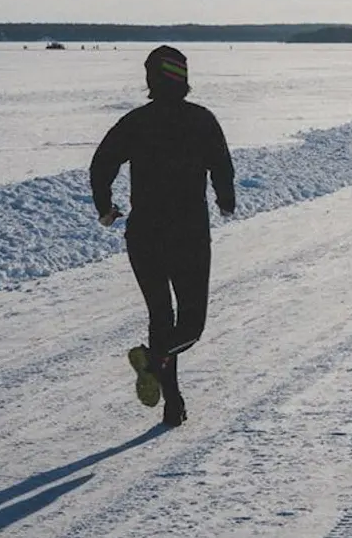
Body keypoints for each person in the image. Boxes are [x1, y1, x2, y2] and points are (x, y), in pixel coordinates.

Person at [90, 46, 235, 427]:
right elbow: (222, 165)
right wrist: (226, 199)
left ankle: (172, 402)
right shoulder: (202, 121)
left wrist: (105, 206)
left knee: (160, 316)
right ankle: (154, 363)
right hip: (187, 237)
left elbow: (102, 161)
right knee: (190, 325)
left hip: (144, 236)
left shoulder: (136, 122)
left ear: (150, 80)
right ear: (184, 79)